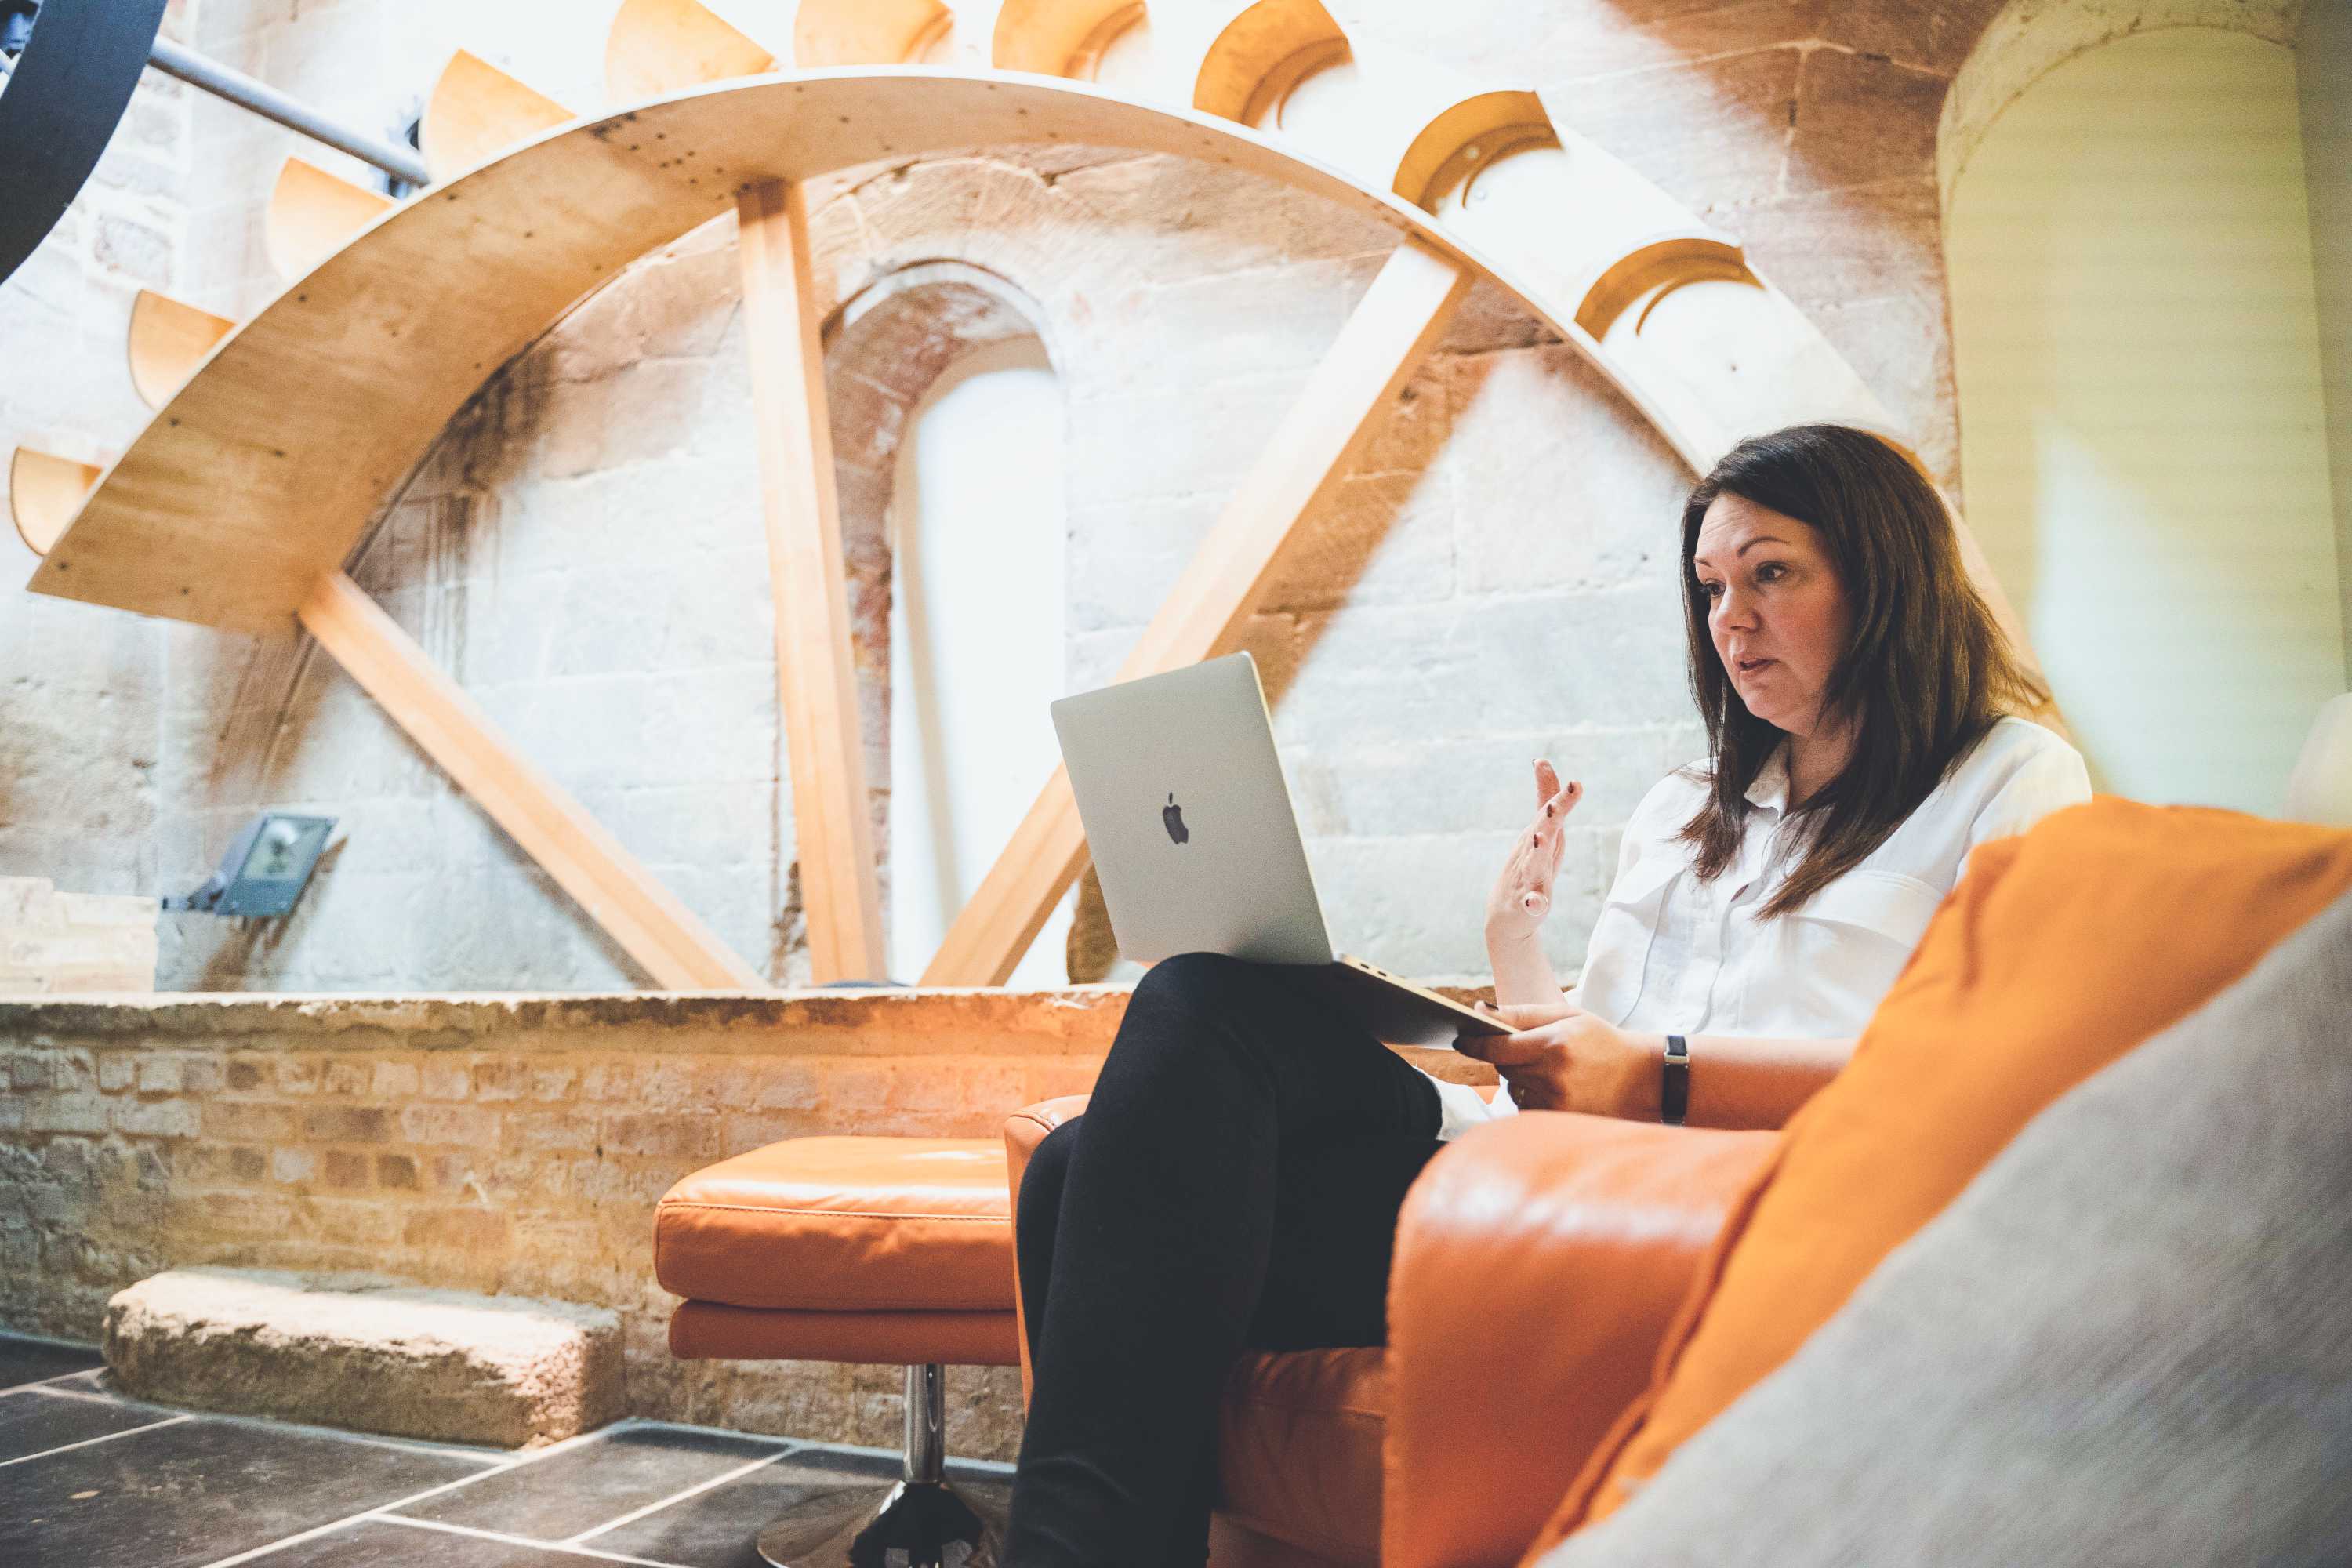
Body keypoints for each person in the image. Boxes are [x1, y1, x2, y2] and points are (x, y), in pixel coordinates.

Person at [1001, 423, 2092, 1566]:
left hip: (1744, 1214)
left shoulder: (2010, 779)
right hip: (1559, 1173)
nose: (1732, 618)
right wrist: (1516, 956)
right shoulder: (1688, 806)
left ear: (1885, 578)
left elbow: (1991, 1075)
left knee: (1193, 1020)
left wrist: (1663, 1076)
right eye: (1712, 586)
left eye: (1772, 573)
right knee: (1099, 1148)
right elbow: (1590, 1059)